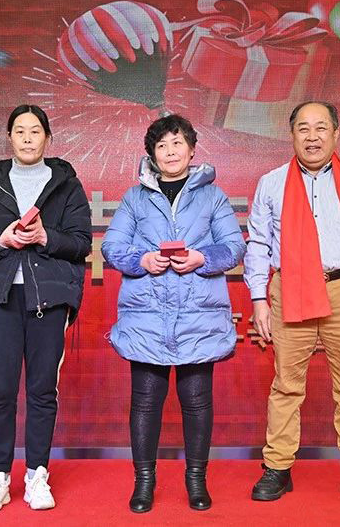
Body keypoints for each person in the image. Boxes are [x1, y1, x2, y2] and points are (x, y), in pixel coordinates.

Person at [244, 101, 340, 507]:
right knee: (286, 385)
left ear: (336, 133)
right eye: (303, 129)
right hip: (291, 288)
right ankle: (277, 466)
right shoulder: (271, 183)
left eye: (320, 128)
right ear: (291, 134)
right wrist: (259, 298)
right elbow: (258, 243)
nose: (312, 137)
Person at [102, 114, 245, 513]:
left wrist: (202, 257)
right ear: (152, 153)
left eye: (177, 143)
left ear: (192, 149)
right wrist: (142, 260)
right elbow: (112, 247)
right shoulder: (135, 198)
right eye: (161, 145)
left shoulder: (213, 197)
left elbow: (234, 247)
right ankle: (144, 482)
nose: (170, 151)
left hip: (198, 312)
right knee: (145, 402)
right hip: (147, 313)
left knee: (196, 401)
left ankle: (196, 480)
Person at [0, 104, 92, 512]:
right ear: (10, 138)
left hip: (48, 298)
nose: (28, 138)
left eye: (35, 131)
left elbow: (81, 242)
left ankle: (37, 476)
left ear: (47, 138)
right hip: (0, 296)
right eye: (20, 131)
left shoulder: (66, 184)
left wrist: (44, 237)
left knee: (42, 389)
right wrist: (0, 239)